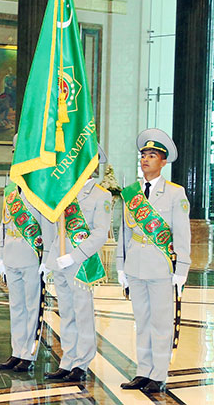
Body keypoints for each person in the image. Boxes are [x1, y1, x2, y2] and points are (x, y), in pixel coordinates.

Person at [116, 129, 191, 394]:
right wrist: (120, 267)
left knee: (160, 322)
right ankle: (143, 371)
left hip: (161, 267)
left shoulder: (175, 193)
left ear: (163, 161)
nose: (145, 160)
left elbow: (182, 234)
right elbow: (124, 233)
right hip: (135, 265)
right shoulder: (131, 194)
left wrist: (182, 269)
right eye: (144, 155)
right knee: (142, 321)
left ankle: (158, 374)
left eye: (152, 155)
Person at [44, 146, 112, 383]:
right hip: (60, 262)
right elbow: (55, 227)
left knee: (82, 314)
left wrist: (75, 255)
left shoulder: (101, 195)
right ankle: (68, 360)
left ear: (93, 166)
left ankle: (81, 363)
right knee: (66, 313)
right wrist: (50, 258)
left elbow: (100, 233)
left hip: (81, 263)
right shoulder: (64, 192)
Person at [0, 135, 54, 373]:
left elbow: (48, 225)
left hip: (32, 256)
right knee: (16, 307)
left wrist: (47, 257)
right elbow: (4, 224)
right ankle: (16, 351)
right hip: (11, 256)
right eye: (14, 154)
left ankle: (28, 355)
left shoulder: (40, 188)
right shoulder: (11, 190)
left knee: (32, 307)